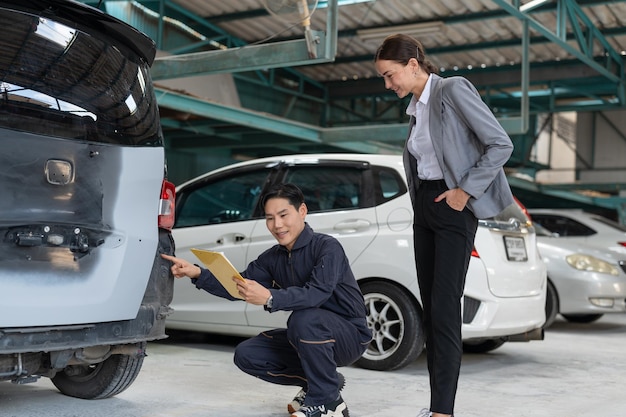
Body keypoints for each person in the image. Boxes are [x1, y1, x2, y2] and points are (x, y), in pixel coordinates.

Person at [374, 34, 515, 417]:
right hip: (426, 210)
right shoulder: (416, 109)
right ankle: (438, 407)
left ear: (413, 65)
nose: (388, 85)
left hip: (453, 207)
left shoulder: (452, 90)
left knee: (444, 308)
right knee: (432, 310)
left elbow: (500, 144)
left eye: (390, 76)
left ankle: (443, 412)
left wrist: (463, 193)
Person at [161, 183, 372, 417]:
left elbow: (317, 293)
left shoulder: (327, 247)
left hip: (350, 337)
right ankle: (323, 383)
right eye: (270, 218)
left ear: (302, 211)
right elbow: (237, 286)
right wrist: (198, 273)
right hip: (309, 334)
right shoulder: (272, 257)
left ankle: (329, 402)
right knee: (248, 354)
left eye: (283, 215)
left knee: (304, 318)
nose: (277, 225)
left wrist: (270, 297)